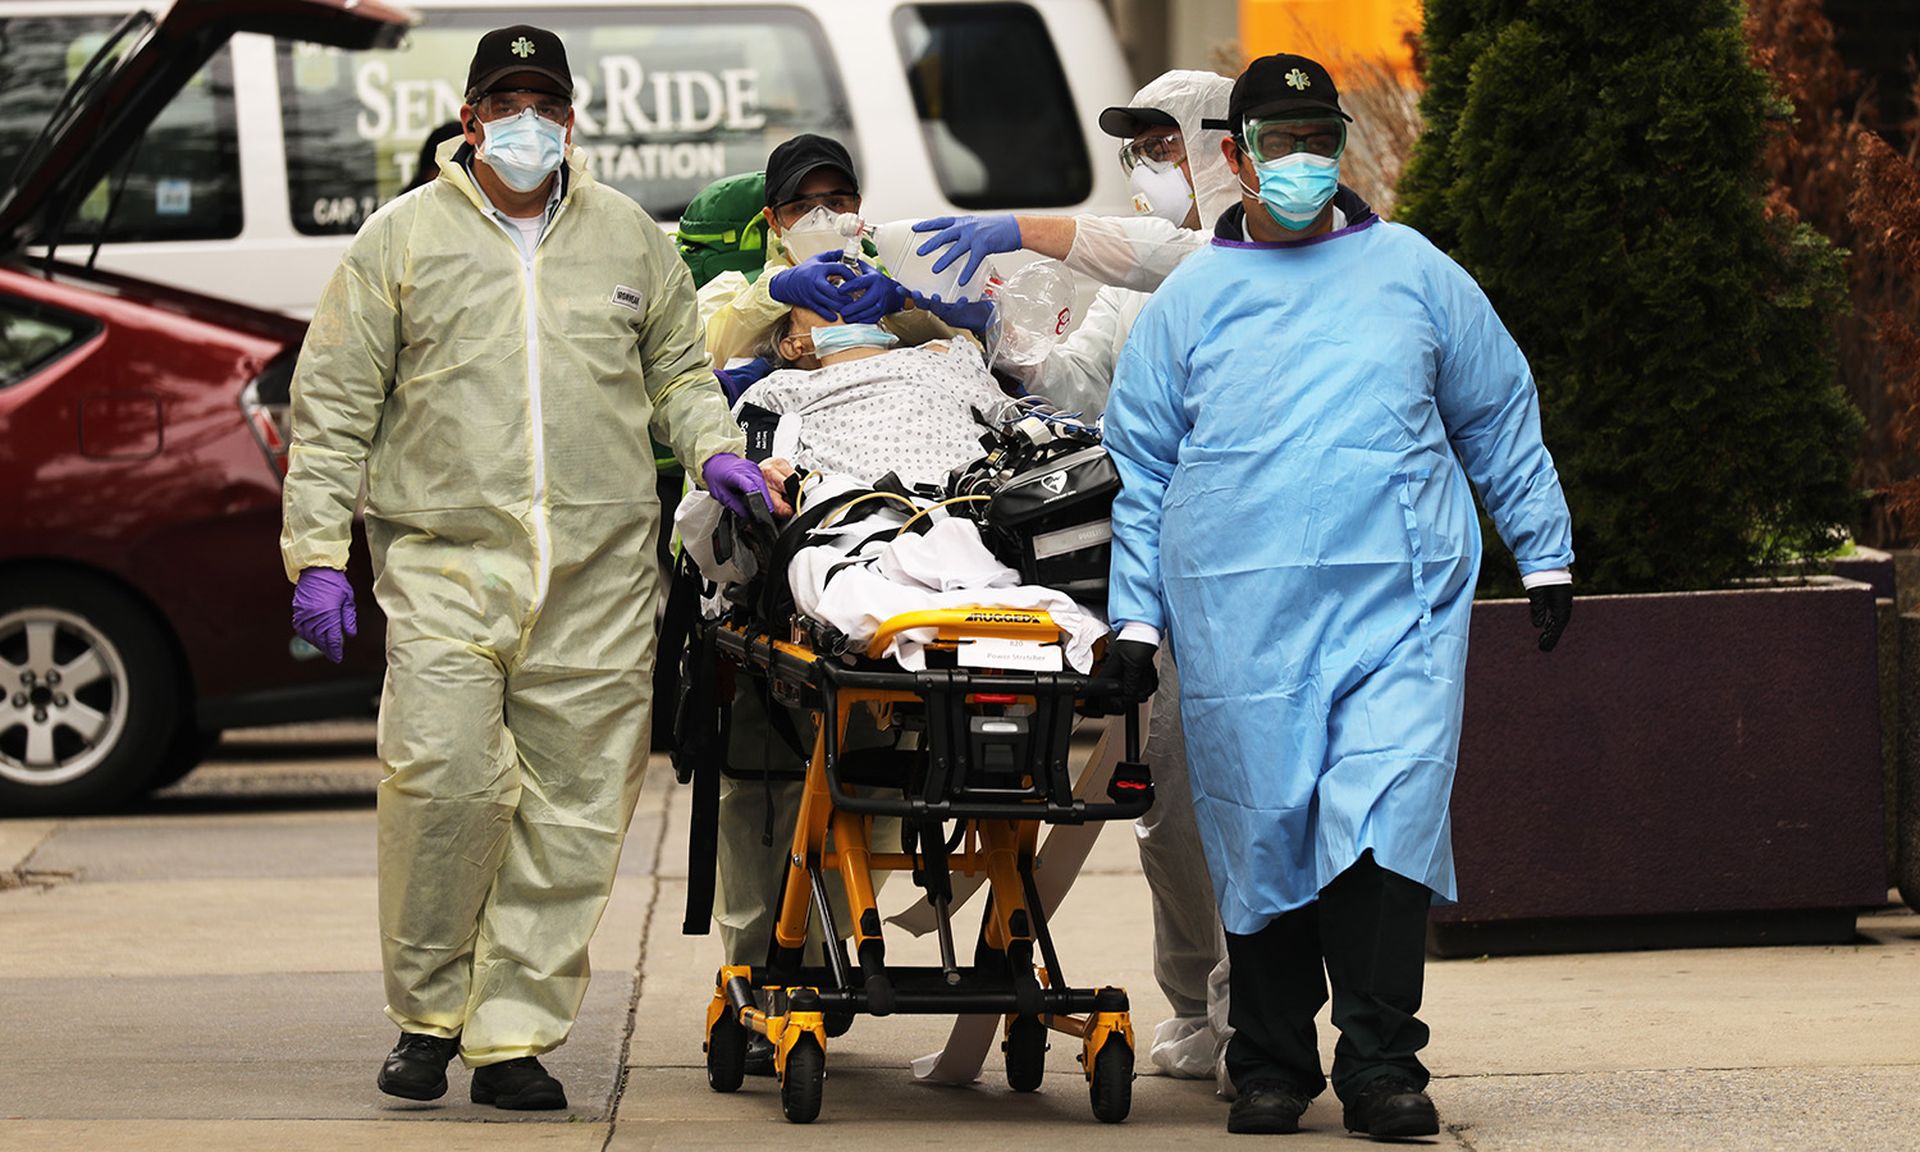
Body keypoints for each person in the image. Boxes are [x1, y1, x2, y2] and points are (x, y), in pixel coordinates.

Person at [280, 25, 769, 1112]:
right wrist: (318, 555)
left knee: (576, 811)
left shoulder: (630, 240)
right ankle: (426, 1016)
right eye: (507, 101)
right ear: (468, 119)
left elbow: (681, 369)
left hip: (598, 574)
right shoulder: (397, 242)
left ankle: (510, 1039)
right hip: (447, 565)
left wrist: (716, 446)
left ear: (573, 120)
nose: (527, 121)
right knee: (443, 784)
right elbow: (332, 416)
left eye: (546, 102)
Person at [1098, 54, 1575, 1139]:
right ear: (1240, 153)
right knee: (1262, 826)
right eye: (1283, 139)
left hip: (1397, 609)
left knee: (1385, 820)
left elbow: (1497, 414)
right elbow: (1144, 467)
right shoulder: (1195, 302)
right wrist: (1135, 615)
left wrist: (1543, 550)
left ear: (1341, 146)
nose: (1304, 159)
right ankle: (1269, 1065)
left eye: (1322, 136)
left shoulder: (1414, 273)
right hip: (1238, 621)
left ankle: (1381, 1069)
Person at [699, 134, 952, 367]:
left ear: (856, 207)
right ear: (773, 221)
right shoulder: (734, 289)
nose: (821, 218)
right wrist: (772, 293)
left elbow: (967, 349)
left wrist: (903, 304)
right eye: (801, 208)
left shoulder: (894, 279)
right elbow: (690, 358)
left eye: (835, 203)